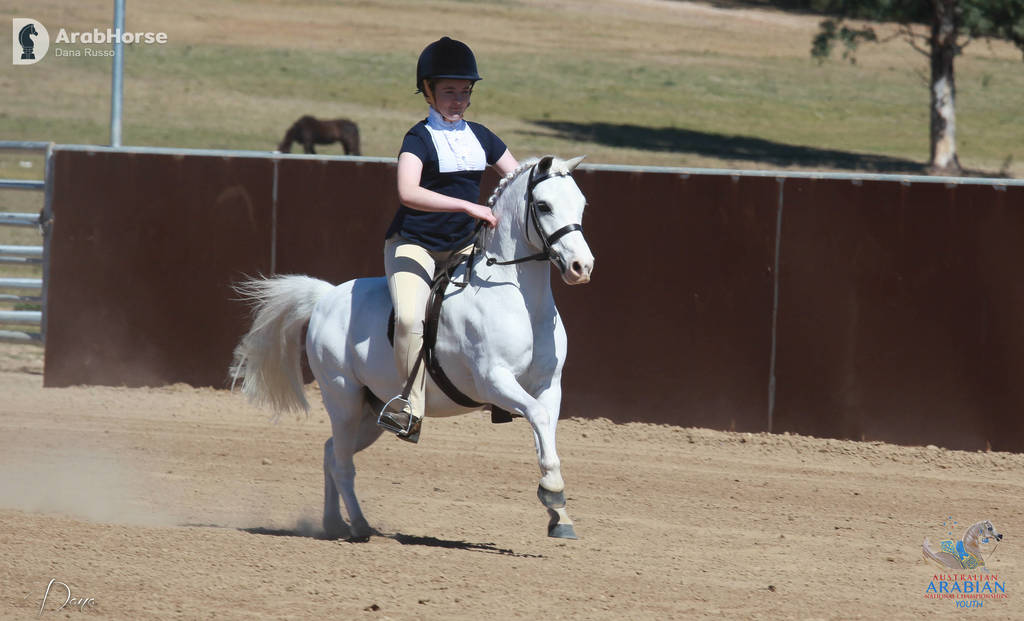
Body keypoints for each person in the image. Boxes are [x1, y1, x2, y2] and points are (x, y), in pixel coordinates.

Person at [378, 36, 519, 443]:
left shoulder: (482, 136)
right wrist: (468, 207)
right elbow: (408, 192)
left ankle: (500, 393)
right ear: (428, 91)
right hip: (414, 244)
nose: (458, 100)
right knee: (408, 318)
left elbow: (517, 179)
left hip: (464, 248)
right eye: (449, 92)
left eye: (465, 92)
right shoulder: (418, 138)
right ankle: (409, 407)